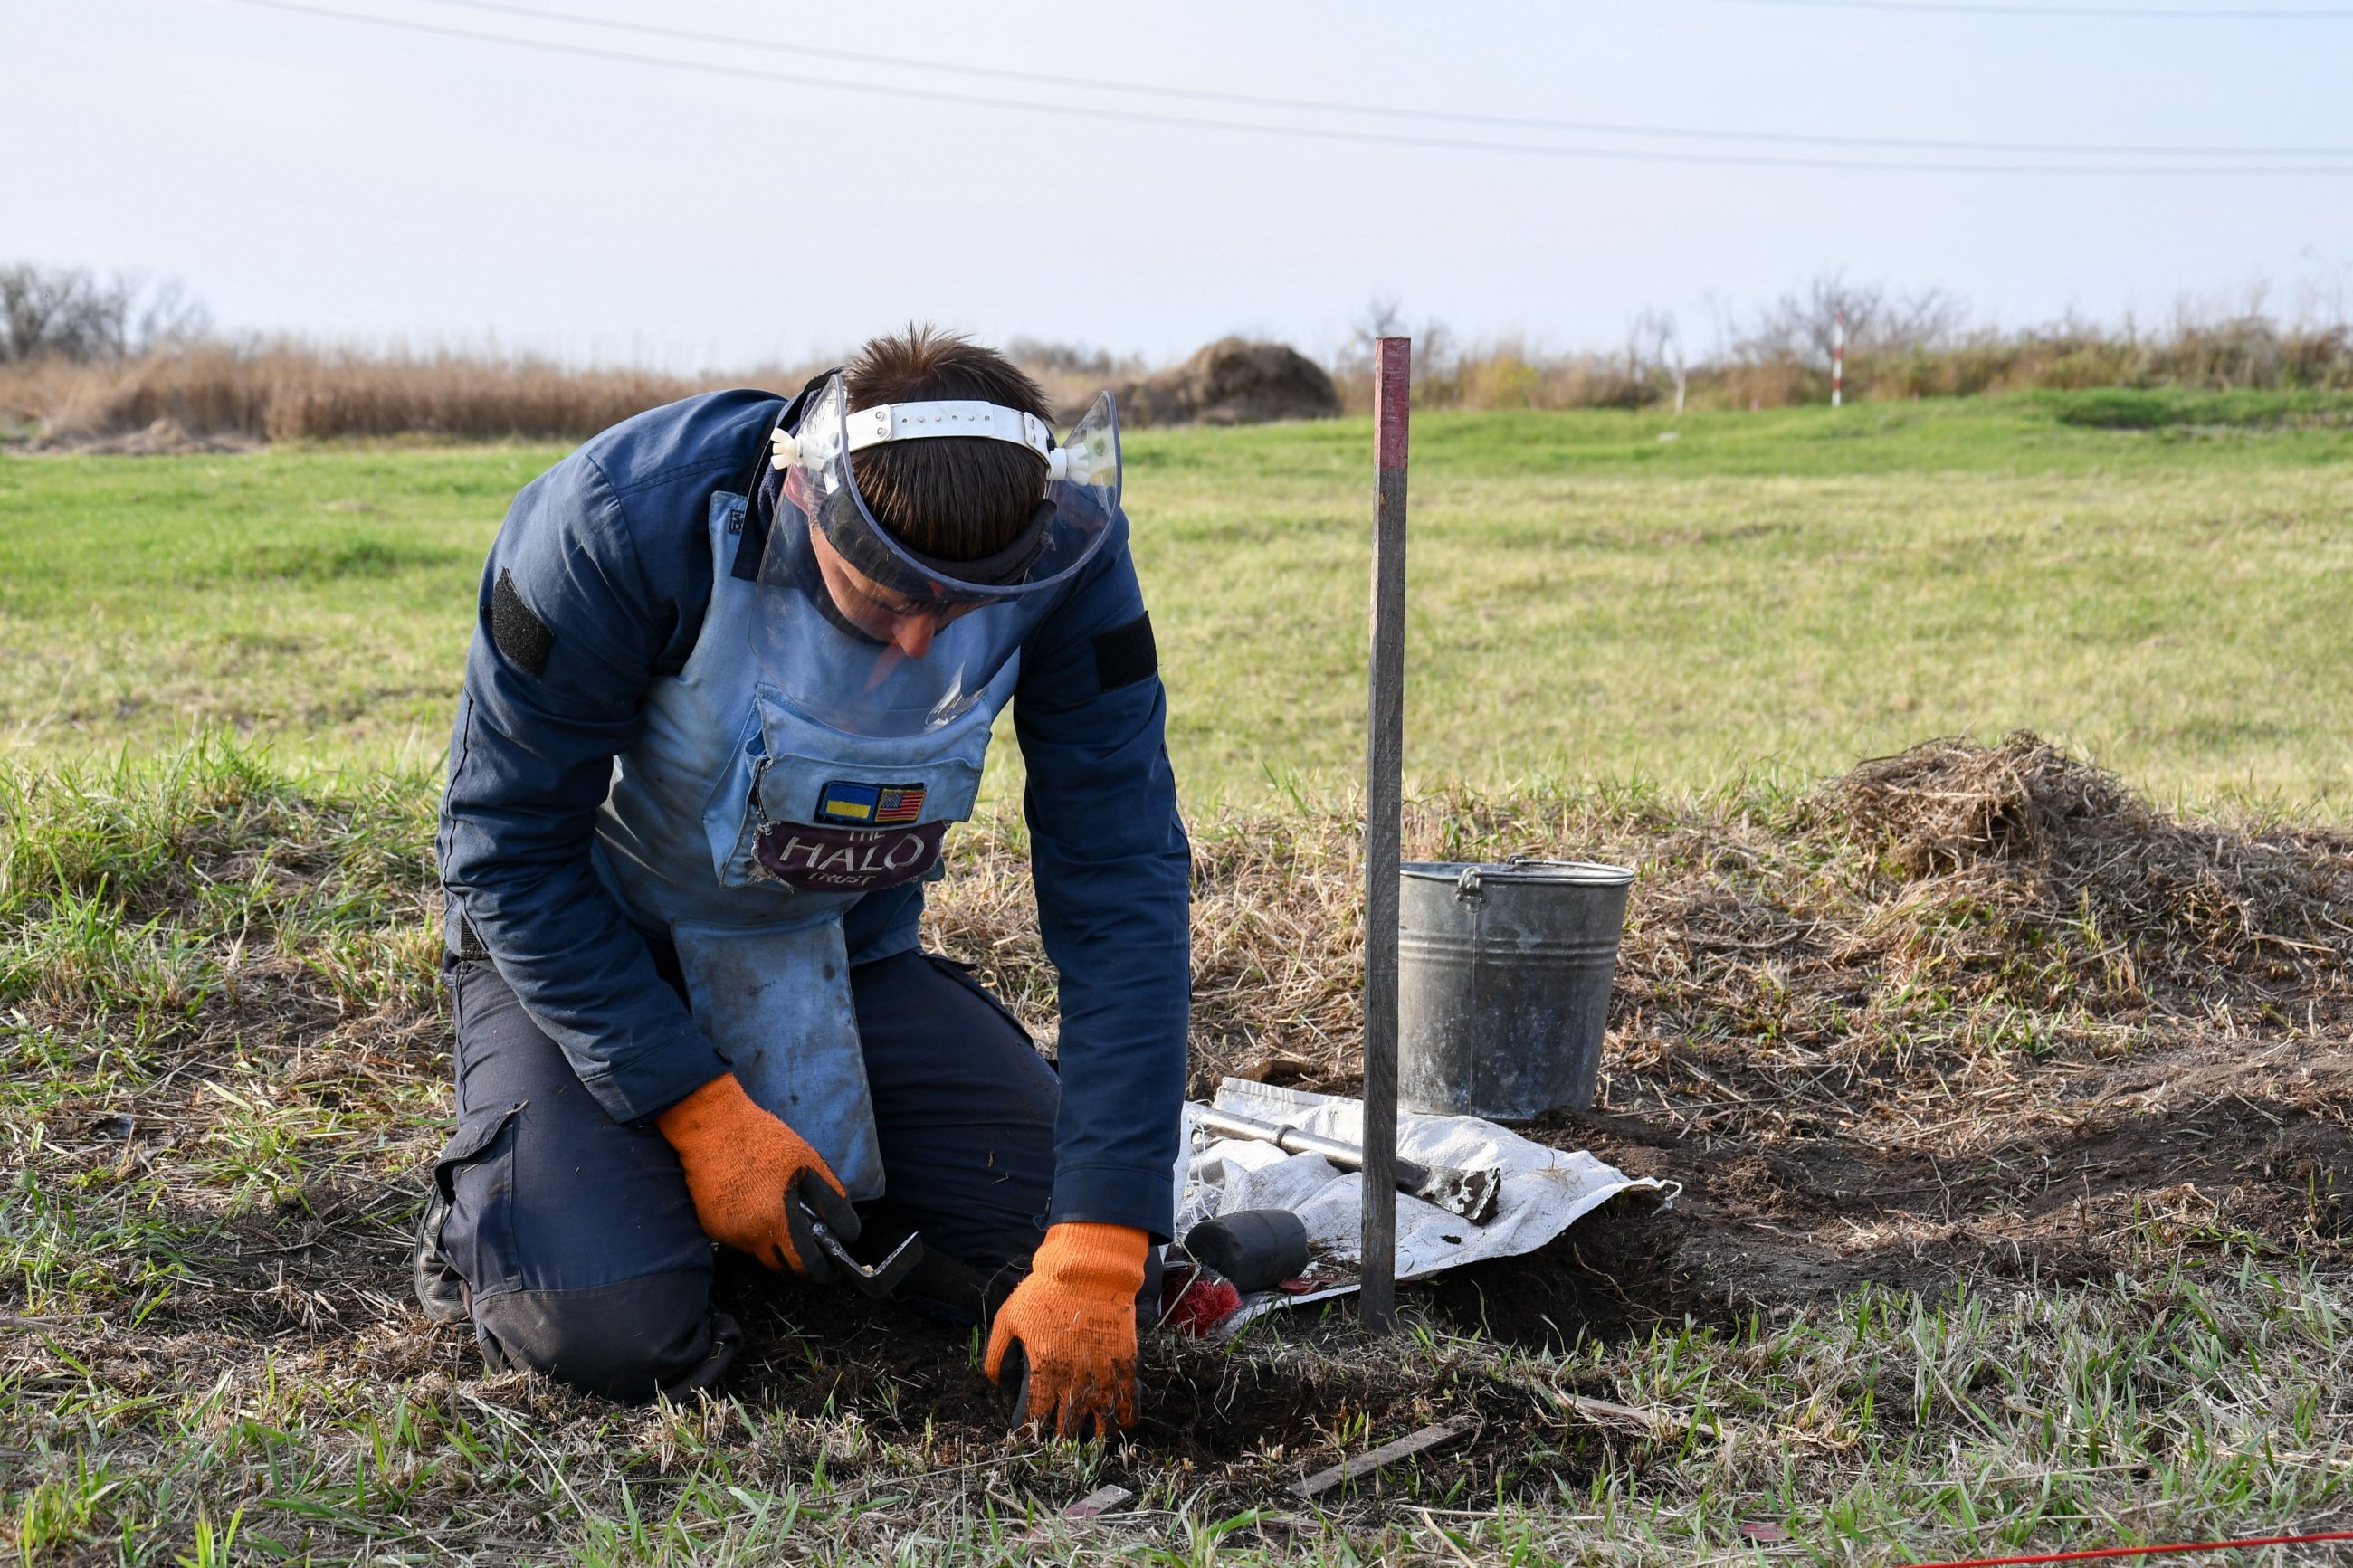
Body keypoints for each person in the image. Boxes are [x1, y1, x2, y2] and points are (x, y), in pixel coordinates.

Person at [414, 328, 1190, 1439]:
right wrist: (697, 1110)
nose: (917, 646)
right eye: (881, 602)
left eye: (960, 611)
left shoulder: (1059, 556)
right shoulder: (617, 522)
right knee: (607, 1331)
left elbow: (1122, 881)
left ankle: (712, 1188)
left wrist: (1102, 1242)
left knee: (1099, 1261)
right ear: (801, 498)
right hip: (586, 951)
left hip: (835, 949)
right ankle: (521, 1214)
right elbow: (502, 844)